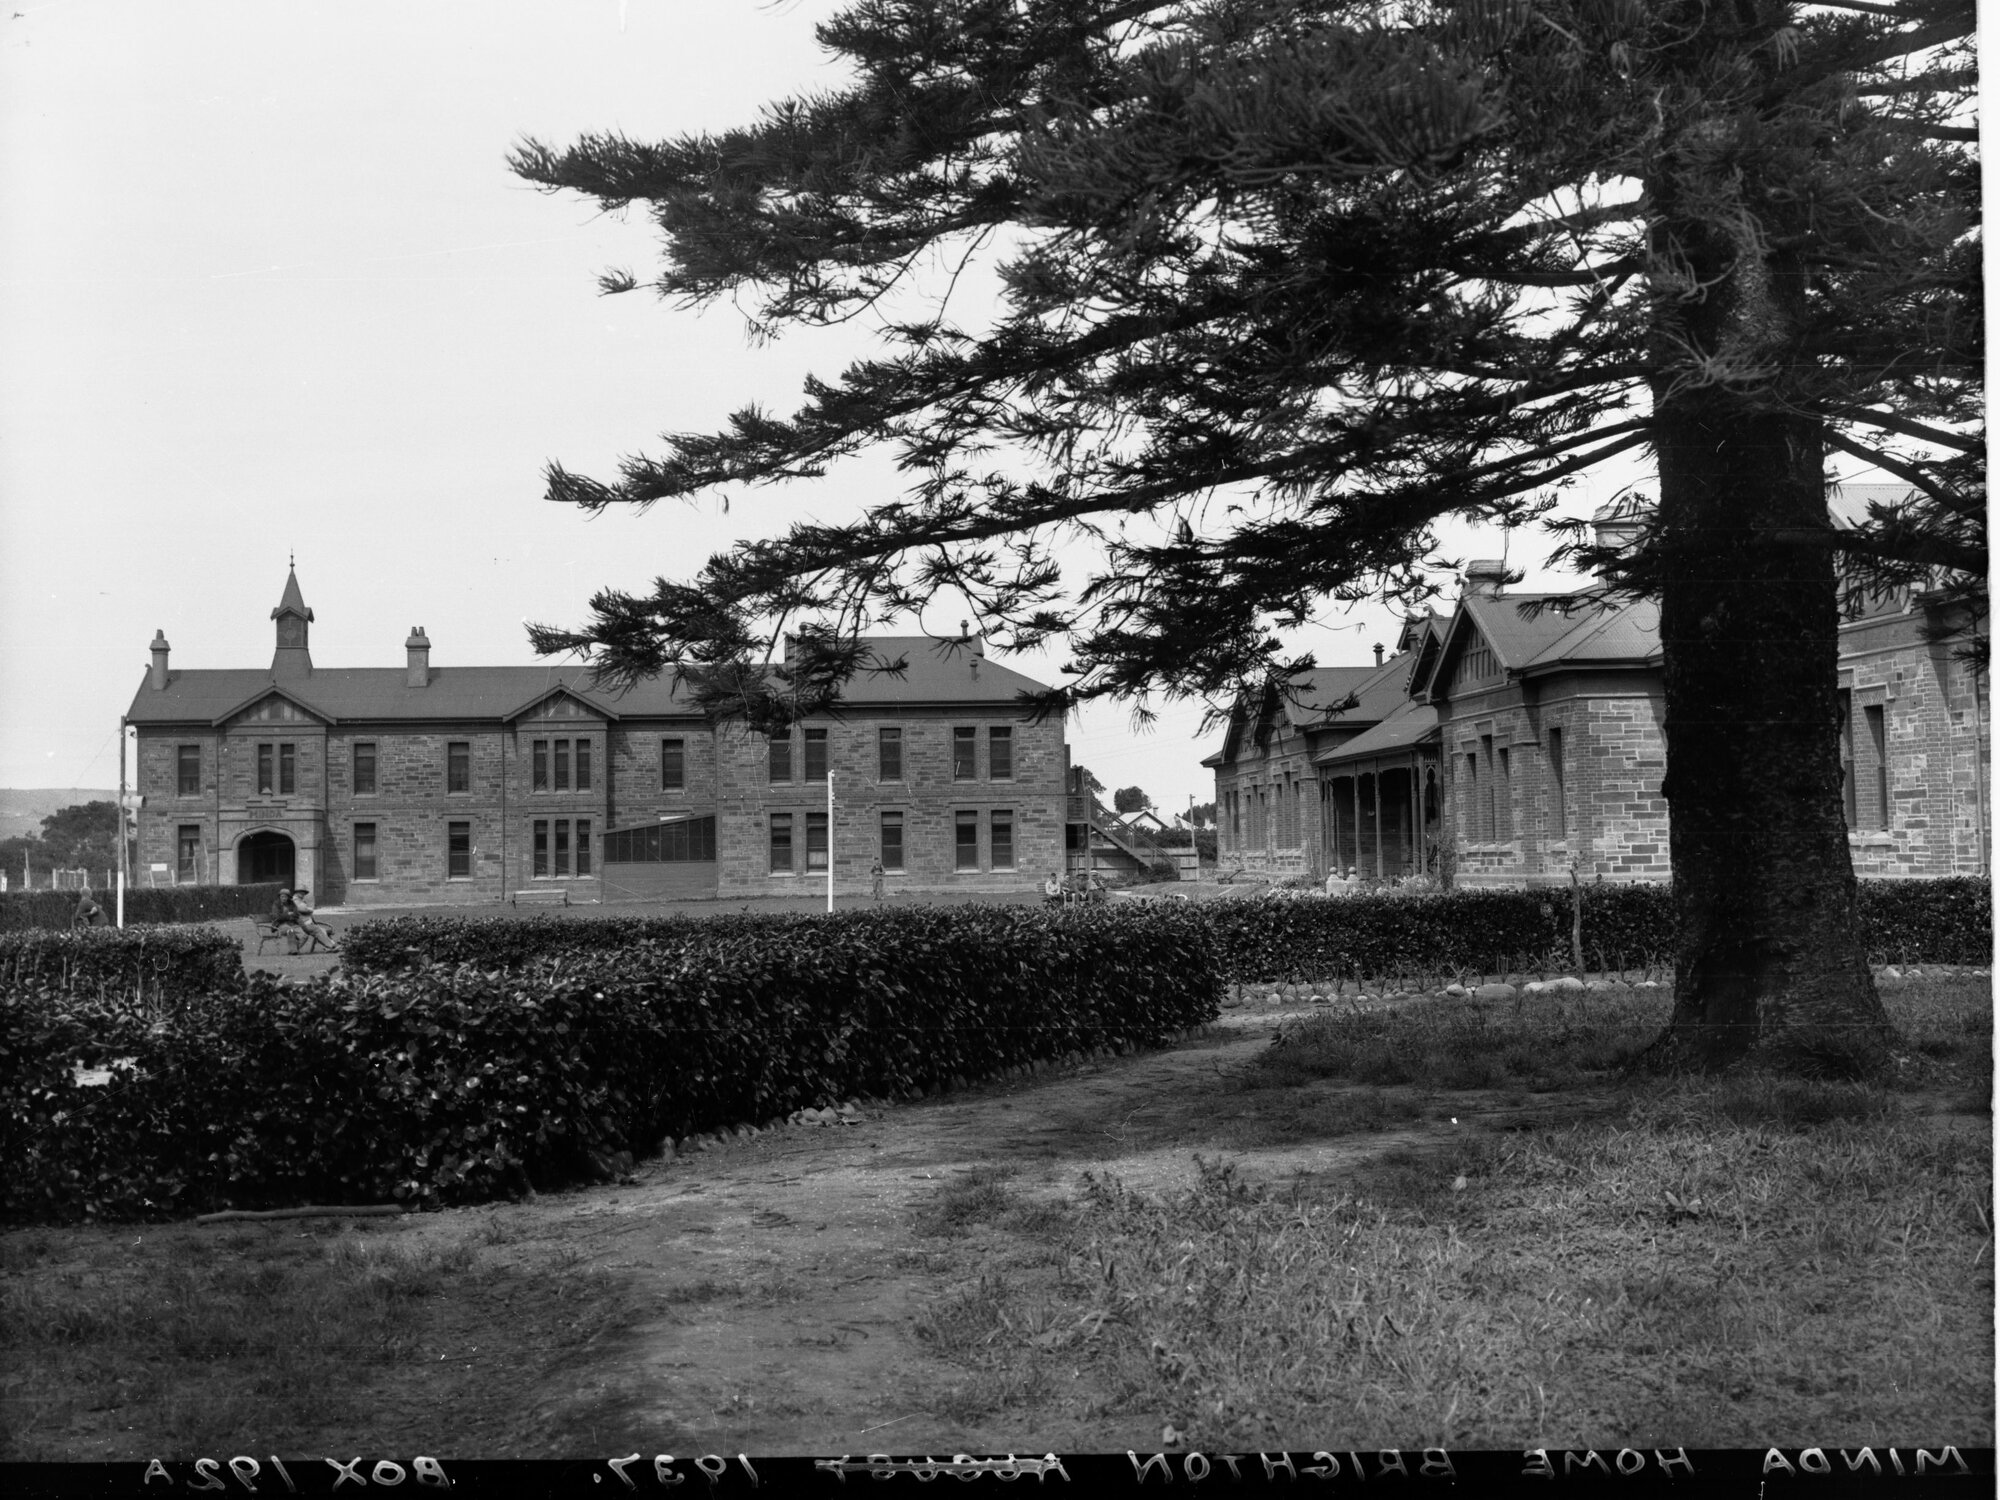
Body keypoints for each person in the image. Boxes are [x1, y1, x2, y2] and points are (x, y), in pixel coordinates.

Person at [289, 887, 340, 953]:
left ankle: (332, 945)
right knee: (317, 930)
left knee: (322, 930)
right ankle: (332, 946)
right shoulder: (296, 900)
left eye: (304, 893)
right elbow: (302, 909)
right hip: (302, 924)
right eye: (301, 892)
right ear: (297, 892)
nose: (303, 894)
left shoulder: (300, 900)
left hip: (306, 922)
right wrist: (310, 909)